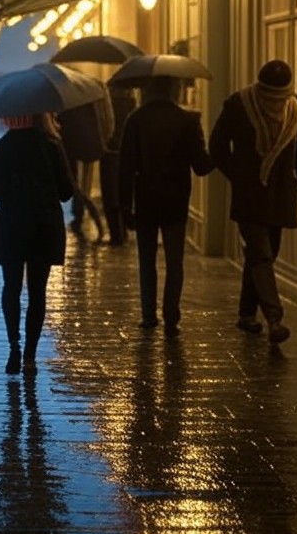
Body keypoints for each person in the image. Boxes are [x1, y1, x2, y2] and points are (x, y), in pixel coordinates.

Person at [209, 59, 297, 344]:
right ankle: (274, 319)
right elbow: (217, 146)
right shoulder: (238, 104)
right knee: (262, 255)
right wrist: (238, 175)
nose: (275, 102)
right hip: (252, 195)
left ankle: (246, 314)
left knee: (262, 255)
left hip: (278, 196)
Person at [118, 76, 213, 338]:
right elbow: (202, 167)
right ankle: (171, 315)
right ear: (174, 88)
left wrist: (124, 206)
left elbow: (125, 167)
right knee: (175, 261)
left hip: (146, 200)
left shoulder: (136, 119)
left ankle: (149, 316)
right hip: (176, 200)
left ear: (148, 89)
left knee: (146, 260)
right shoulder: (187, 120)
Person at [0, 113, 73, 375]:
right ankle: (30, 355)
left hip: (11, 226)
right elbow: (66, 192)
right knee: (37, 292)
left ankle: (14, 347)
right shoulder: (52, 146)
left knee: (11, 287)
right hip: (44, 225)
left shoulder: (2, 147)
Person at [58, 84, 113, 238]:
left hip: (74, 150)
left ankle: (80, 215)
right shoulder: (89, 101)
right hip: (86, 148)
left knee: (77, 186)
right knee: (80, 186)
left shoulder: (69, 104)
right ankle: (80, 216)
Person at [99, 83, 137, 246]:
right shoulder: (132, 102)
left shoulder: (105, 101)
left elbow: (104, 124)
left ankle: (117, 234)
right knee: (124, 190)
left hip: (110, 150)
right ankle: (124, 230)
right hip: (128, 150)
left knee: (110, 193)